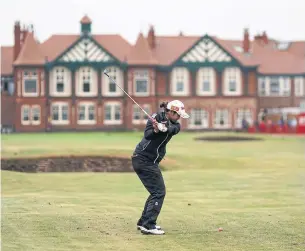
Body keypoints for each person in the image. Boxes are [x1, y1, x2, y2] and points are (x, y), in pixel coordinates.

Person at [131, 100, 190, 235]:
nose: (179, 117)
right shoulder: (156, 118)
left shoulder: (176, 126)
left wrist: (164, 128)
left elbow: (172, 129)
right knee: (159, 192)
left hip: (149, 161)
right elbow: (148, 135)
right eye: (177, 115)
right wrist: (156, 129)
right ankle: (148, 225)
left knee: (155, 192)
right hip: (142, 159)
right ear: (170, 112)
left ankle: (143, 222)